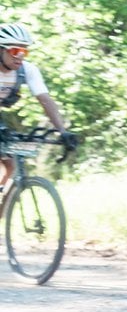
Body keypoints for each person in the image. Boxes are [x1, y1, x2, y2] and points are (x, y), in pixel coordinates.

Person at [0, 23, 78, 191]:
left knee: (10, 166)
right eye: (15, 51)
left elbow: (45, 100)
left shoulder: (27, 70)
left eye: (24, 52)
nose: (20, 56)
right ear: (2, 50)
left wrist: (62, 131)